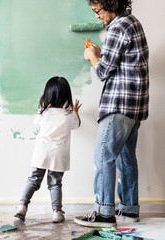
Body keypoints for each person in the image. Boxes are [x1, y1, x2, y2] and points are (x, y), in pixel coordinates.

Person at [74, 0, 149, 227]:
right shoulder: (132, 22)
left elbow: (104, 71)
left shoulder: (117, 27)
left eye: (97, 10)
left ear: (110, 3)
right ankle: (129, 210)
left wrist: (93, 58)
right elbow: (119, 63)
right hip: (134, 105)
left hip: (119, 103)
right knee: (126, 158)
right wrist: (100, 53)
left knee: (103, 156)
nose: (96, 16)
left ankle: (104, 213)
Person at [15, 76, 81, 223]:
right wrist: (75, 111)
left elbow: (36, 123)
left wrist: (45, 107)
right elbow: (77, 125)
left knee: (33, 179)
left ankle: (22, 206)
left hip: (42, 152)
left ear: (48, 94)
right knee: (55, 183)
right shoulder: (68, 115)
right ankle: (57, 212)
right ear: (66, 95)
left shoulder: (43, 112)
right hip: (59, 154)